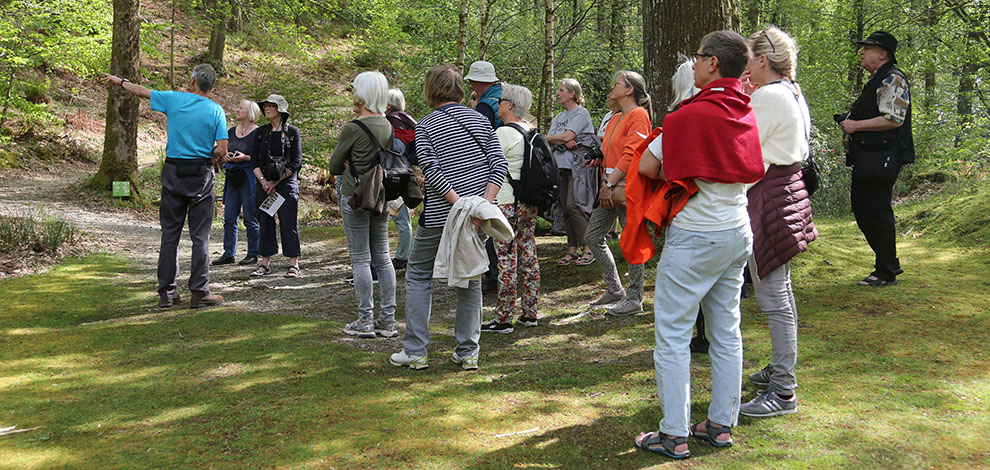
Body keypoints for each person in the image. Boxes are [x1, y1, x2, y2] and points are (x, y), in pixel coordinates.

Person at [633, 31, 765, 459]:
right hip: (737, 231)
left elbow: (650, 166)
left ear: (711, 63)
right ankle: (721, 425)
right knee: (727, 330)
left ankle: (674, 433)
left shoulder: (687, 117)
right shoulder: (745, 109)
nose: (693, 63)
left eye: (697, 57)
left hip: (695, 234)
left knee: (672, 334)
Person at [389, 65, 508, 371]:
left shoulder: (427, 125)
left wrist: (460, 206)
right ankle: (468, 352)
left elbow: (431, 171)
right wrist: (481, 206)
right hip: (476, 217)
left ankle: (415, 350)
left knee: (417, 274)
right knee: (470, 279)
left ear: (431, 90)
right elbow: (498, 165)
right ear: (458, 88)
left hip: (442, 214)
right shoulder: (481, 120)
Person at [737, 26, 818, 418]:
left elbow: (744, 153)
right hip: (785, 189)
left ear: (762, 60)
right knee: (779, 292)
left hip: (770, 193)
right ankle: (780, 370)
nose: (746, 64)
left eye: (750, 57)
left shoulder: (769, 95)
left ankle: (784, 389)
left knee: (773, 297)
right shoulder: (790, 91)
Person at [103, 64, 227, 309]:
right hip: (201, 174)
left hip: (173, 172)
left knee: (170, 235)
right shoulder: (216, 110)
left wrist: (119, 81)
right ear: (211, 87)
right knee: (199, 237)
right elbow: (222, 150)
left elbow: (140, 91)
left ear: (193, 81)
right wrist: (211, 155)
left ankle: (167, 293)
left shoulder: (173, 99)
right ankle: (200, 292)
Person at [839, 30, 914, 287]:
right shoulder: (879, 79)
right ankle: (886, 265)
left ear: (882, 53)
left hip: (882, 156)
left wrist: (856, 126)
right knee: (864, 209)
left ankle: (886, 270)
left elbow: (893, 119)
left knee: (876, 211)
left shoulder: (892, 78)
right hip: (872, 156)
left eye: (868, 48)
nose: (862, 51)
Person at [329, 71, 399, 339]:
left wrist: (350, 162)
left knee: (360, 259)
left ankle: (365, 320)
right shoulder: (389, 125)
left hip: (355, 195)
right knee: (383, 258)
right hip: (380, 195)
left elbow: (334, 166)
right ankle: (388, 321)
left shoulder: (353, 127)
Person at [584, 70, 652, 317]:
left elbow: (632, 153)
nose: (612, 88)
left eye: (617, 84)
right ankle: (615, 290)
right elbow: (613, 151)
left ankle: (635, 298)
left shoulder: (638, 115)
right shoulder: (615, 118)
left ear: (630, 89)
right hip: (609, 187)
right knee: (592, 236)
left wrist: (610, 183)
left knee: (631, 241)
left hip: (626, 188)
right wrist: (598, 159)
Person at [479, 84, 541, 334]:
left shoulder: (503, 133)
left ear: (511, 105)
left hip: (506, 202)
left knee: (505, 258)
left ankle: (504, 317)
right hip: (527, 203)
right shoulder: (530, 131)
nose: (498, 104)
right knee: (528, 254)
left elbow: (487, 166)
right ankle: (530, 312)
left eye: (501, 100)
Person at [546, 79, 597, 267]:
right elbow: (558, 139)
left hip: (578, 167)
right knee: (565, 208)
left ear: (571, 93)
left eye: (561, 90)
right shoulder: (560, 117)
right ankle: (572, 249)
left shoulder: (581, 113)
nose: (557, 93)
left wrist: (559, 138)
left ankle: (590, 248)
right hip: (561, 166)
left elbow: (566, 136)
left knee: (575, 205)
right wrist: (560, 139)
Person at [250, 94, 302, 278]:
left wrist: (275, 182)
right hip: (263, 184)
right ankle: (265, 263)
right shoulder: (260, 133)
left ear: (280, 110)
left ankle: (293, 263)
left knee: (288, 222)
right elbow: (254, 161)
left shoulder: (292, 132)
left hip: (286, 184)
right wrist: (264, 181)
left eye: (271, 106)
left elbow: (296, 162)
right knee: (264, 220)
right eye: (265, 106)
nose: (266, 108)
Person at [465, 60, 503, 291]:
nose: (470, 84)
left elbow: (475, 138)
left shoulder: (486, 105)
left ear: (479, 82)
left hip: (489, 167)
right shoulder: (503, 95)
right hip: (503, 162)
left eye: (471, 81)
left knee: (485, 217)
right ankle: (497, 272)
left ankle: (492, 275)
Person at [213, 100, 262, 267]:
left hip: (249, 176)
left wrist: (246, 157)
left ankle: (253, 253)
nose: (237, 110)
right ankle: (229, 253)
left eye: (240, 108)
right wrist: (225, 156)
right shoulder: (232, 131)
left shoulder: (258, 133)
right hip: (232, 175)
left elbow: (262, 157)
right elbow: (223, 149)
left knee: (250, 217)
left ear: (250, 112)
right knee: (229, 217)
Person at [385, 88, 416, 271]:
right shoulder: (404, 119)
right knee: (401, 217)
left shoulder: (394, 121)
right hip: (401, 173)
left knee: (400, 217)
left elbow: (397, 148)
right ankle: (404, 255)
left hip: (394, 174)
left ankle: (404, 257)